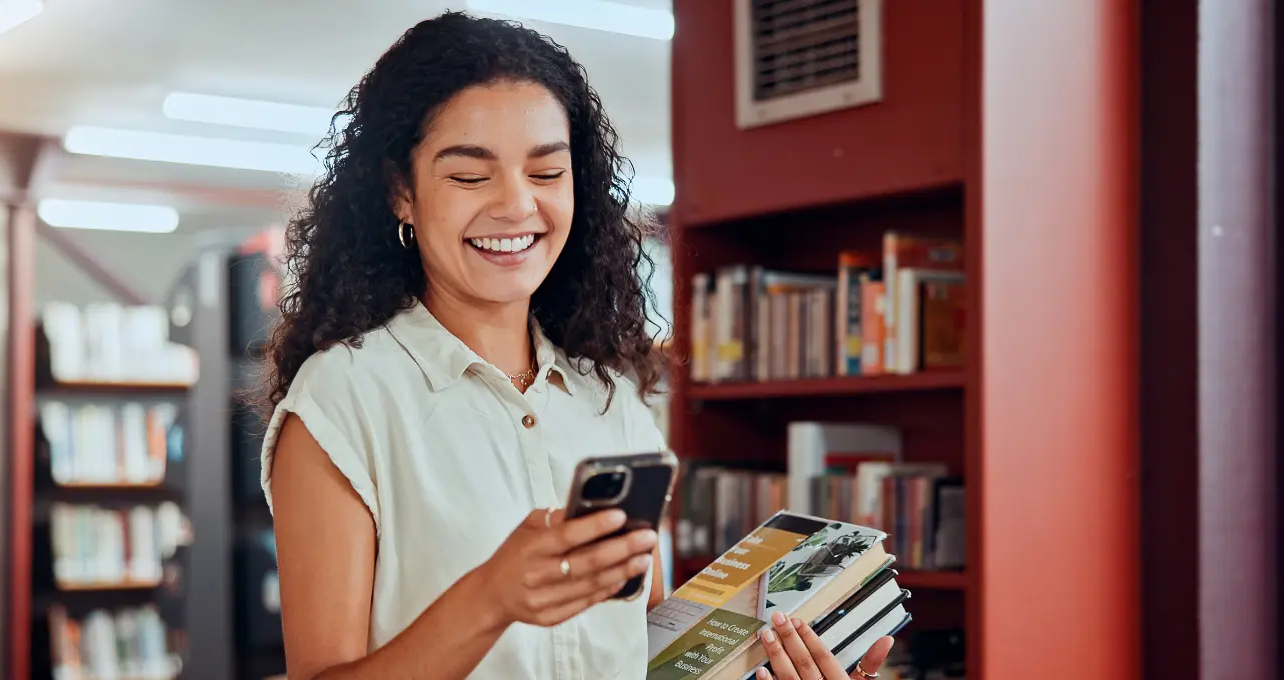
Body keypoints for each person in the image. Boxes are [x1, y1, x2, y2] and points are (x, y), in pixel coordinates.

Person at [258, 11, 894, 680]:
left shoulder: (610, 402)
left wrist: (759, 666)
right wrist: (488, 600)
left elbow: (642, 656)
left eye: (546, 173)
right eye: (470, 176)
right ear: (400, 194)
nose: (515, 206)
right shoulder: (342, 401)